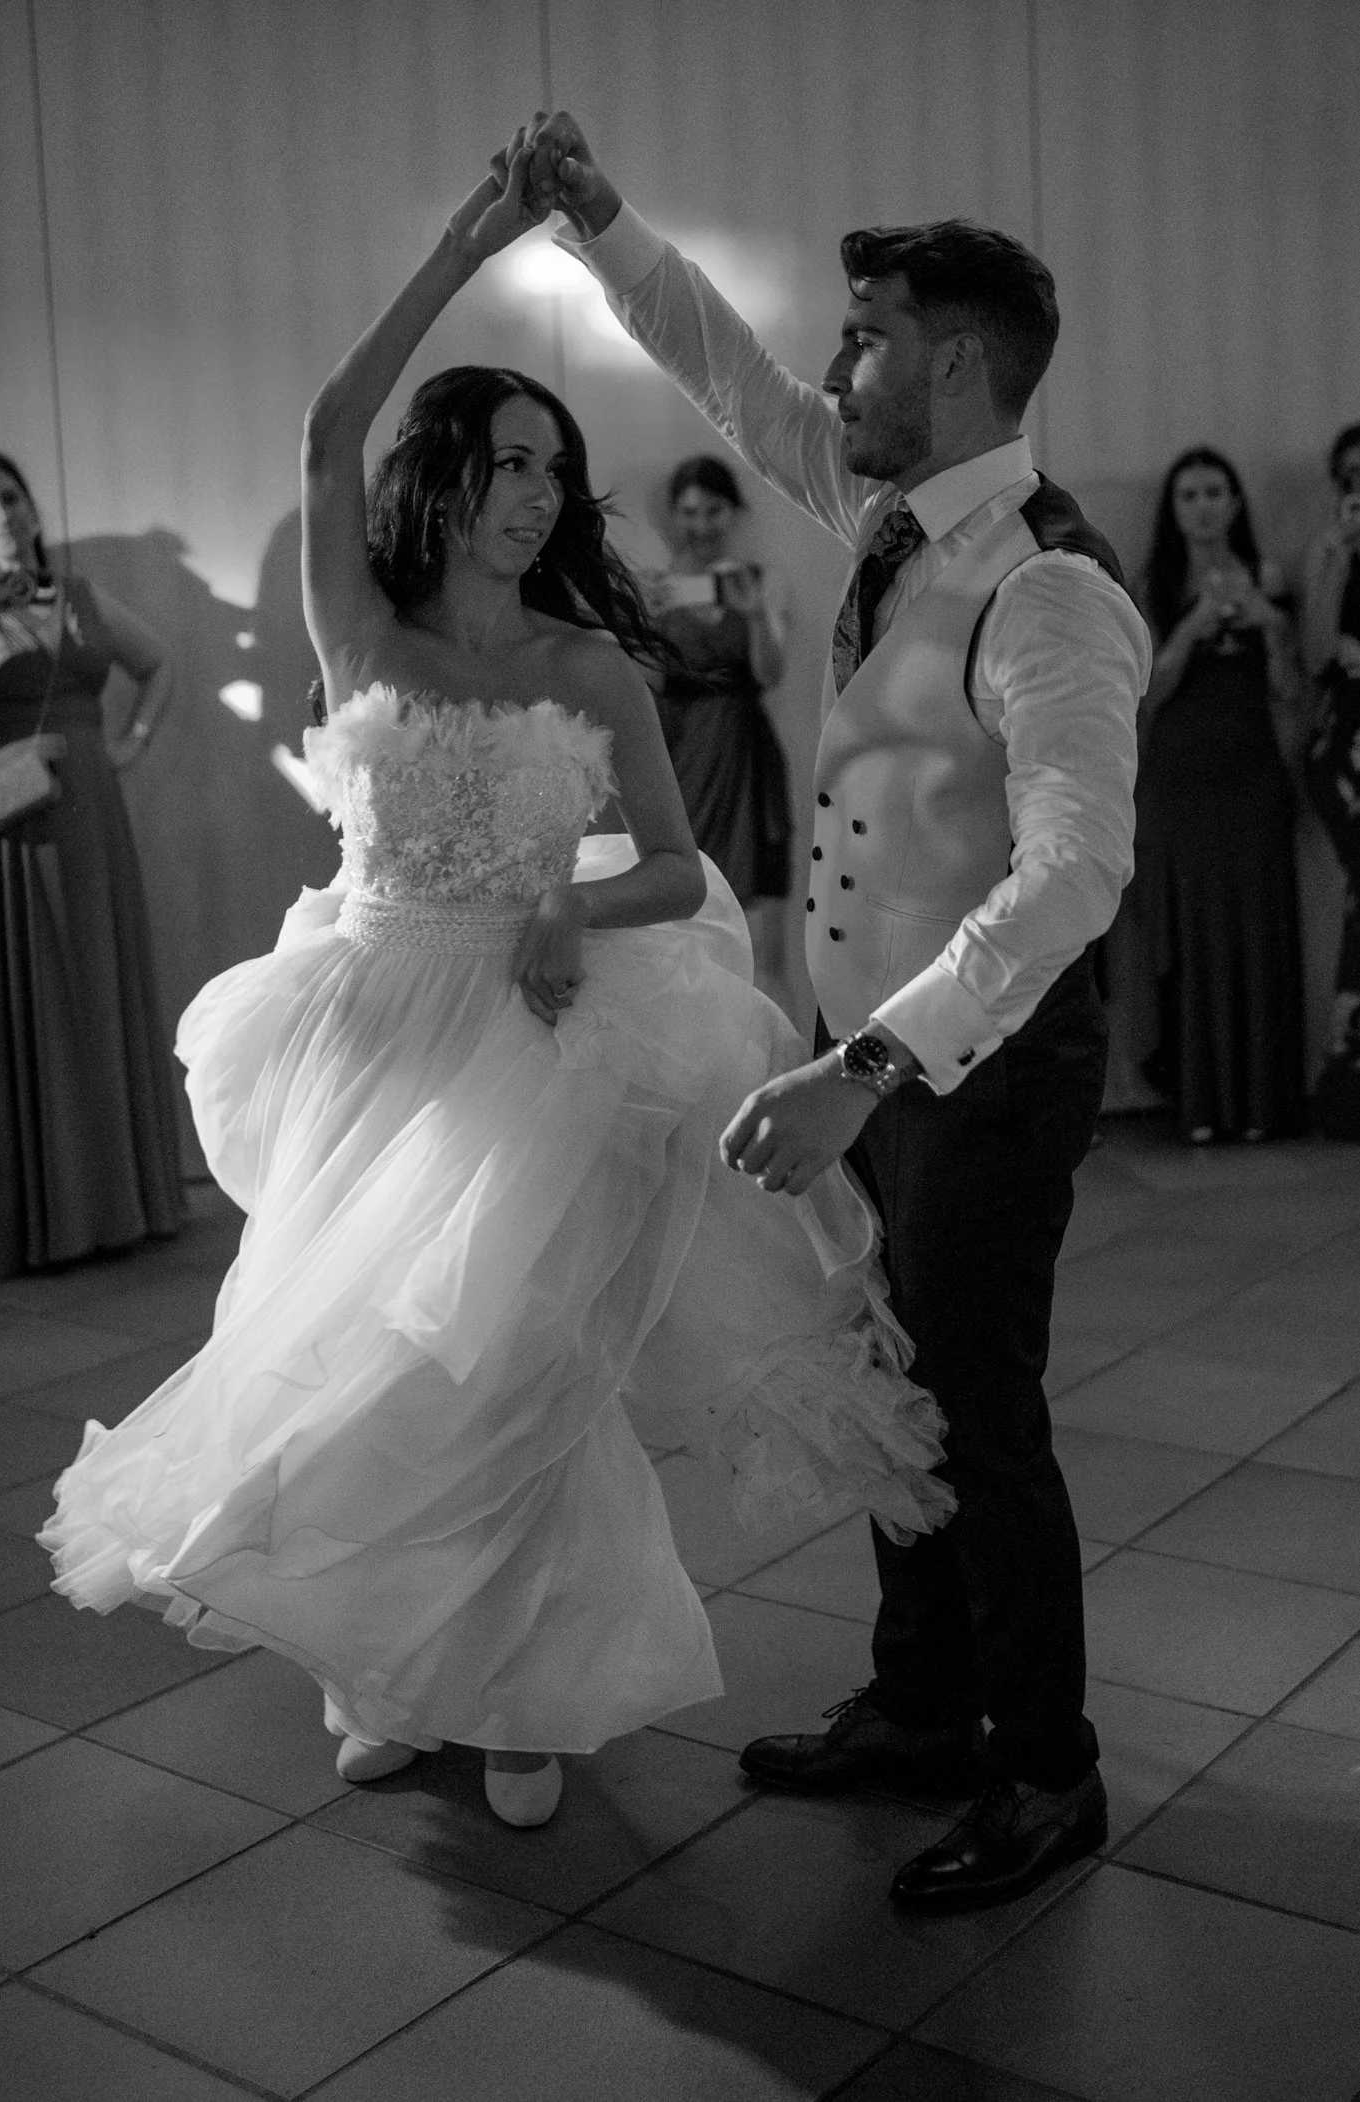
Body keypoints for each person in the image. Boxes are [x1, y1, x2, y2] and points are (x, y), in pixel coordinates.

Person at [40, 148, 952, 1832]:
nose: (540, 492)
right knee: (356, 1368)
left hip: (540, 1038)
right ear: (446, 473)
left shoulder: (590, 660)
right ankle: (388, 1668)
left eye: (557, 466)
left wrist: (562, 898)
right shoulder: (361, 626)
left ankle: (526, 1684)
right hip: (372, 1025)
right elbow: (328, 427)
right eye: (512, 460)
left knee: (525, 1366)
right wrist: (470, 237)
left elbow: (674, 870)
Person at [521, 109, 1151, 1911]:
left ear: (954, 366)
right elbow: (731, 371)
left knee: (979, 1404)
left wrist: (863, 1068)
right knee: (895, 1381)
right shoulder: (885, 514)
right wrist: (603, 226)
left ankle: (1044, 1769)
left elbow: (1075, 872)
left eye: (867, 338)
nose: (834, 366)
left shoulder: (1046, 586)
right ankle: (920, 1701)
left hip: (980, 1076)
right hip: (877, 1066)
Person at [0, 450, 182, 1275]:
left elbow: (157, 662)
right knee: (27, 1004)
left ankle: (122, 1206)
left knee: (96, 990)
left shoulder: (82, 599)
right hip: (5, 822)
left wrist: (133, 741)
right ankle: (42, 1221)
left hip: (90, 809)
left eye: (10, 500)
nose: (3, 518)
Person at [1131, 448, 1305, 1144]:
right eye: (1188, 495)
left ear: (1235, 502)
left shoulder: (1267, 577)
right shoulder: (1154, 583)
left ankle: (1263, 1106)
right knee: (1194, 935)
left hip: (1253, 772)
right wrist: (1195, 625)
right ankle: (1199, 1104)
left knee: (1258, 933)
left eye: (1214, 492)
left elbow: (1291, 690)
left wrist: (1271, 626)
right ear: (1172, 511)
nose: (1202, 506)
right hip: (1179, 780)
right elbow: (1148, 695)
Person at [649, 454, 794, 998]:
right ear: (673, 517)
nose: (701, 526)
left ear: (733, 514)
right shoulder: (656, 589)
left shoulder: (757, 581)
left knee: (762, 946)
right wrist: (639, 620)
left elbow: (770, 675)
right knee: (680, 940)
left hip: (745, 758)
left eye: (714, 511)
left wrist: (753, 612)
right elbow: (648, 686)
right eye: (689, 513)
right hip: (680, 759)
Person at [1302, 421, 1360, 1140]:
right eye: (1350, 477)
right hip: (1345, 746)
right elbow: (1315, 653)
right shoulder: (1326, 553)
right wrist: (1340, 559)